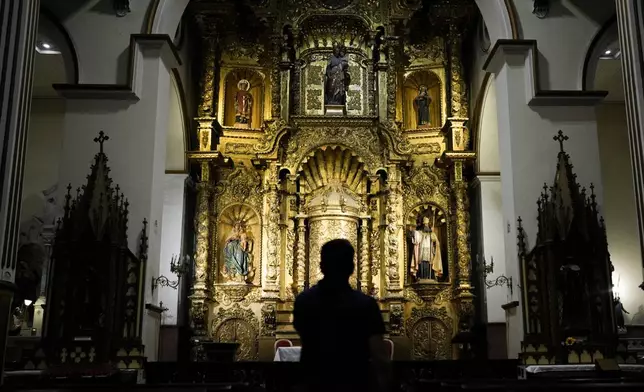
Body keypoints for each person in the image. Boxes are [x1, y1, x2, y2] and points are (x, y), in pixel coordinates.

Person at [293, 239, 391, 392]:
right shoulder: (366, 305)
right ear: (351, 268)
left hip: (315, 383)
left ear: (321, 266)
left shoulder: (304, 302)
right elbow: (379, 357)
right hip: (355, 383)